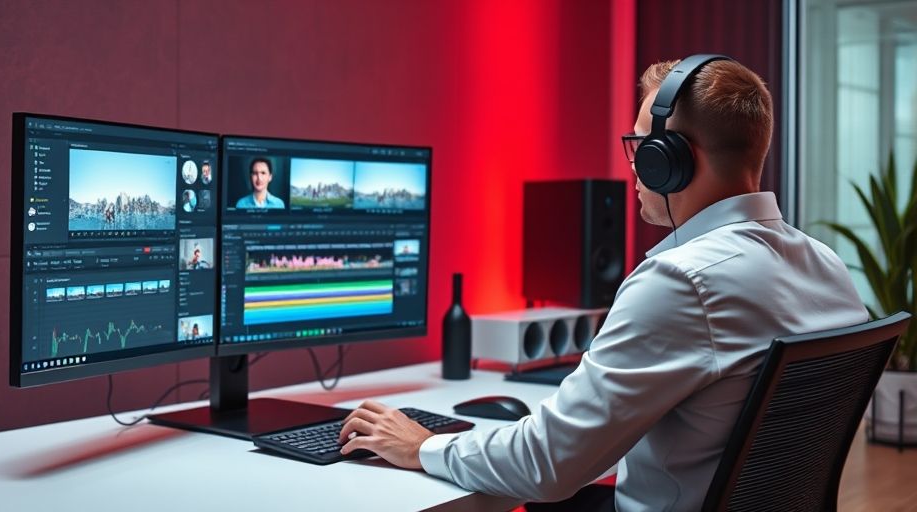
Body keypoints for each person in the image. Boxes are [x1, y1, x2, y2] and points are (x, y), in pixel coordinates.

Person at [337, 57, 868, 511]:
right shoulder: (827, 266)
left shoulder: (682, 281)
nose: (635, 166)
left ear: (672, 160)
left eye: (641, 146)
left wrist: (422, 445)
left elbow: (546, 465)